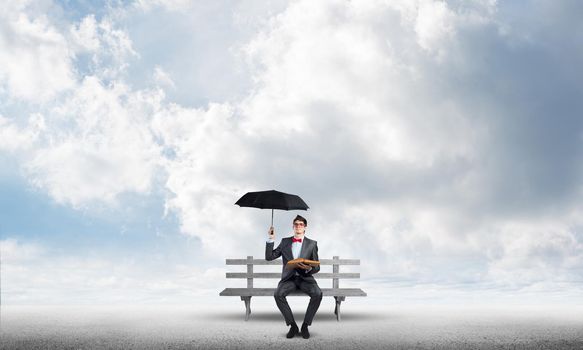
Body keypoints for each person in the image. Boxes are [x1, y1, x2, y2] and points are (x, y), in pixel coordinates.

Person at [265, 215, 322, 339]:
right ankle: (292, 325)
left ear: (305, 227)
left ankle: (305, 325)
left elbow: (317, 267)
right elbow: (269, 257)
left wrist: (309, 268)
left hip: (305, 278)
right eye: (296, 224)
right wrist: (271, 238)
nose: (298, 226)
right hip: (289, 279)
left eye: (301, 224)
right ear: (293, 226)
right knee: (278, 294)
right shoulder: (285, 242)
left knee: (318, 293)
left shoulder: (312, 244)